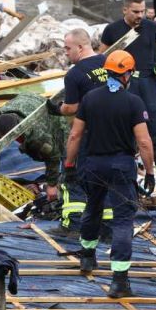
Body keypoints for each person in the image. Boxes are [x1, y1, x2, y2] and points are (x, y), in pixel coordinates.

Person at [66, 51, 155, 298]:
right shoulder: (133, 102)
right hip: (121, 165)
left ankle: (86, 258)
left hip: (93, 164)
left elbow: (75, 135)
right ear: (126, 74)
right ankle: (118, 281)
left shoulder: (90, 99)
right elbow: (144, 142)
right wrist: (149, 171)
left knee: (92, 208)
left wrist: (69, 165)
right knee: (123, 219)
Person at [100, 0, 156, 175]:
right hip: (123, 85)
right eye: (135, 12)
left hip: (149, 83)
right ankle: (129, 175)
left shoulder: (151, 27)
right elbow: (101, 58)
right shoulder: (112, 30)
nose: (140, 16)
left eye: (142, 11)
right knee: (123, 133)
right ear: (125, 9)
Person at [47, 29, 109, 229]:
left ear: (80, 47)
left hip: (88, 135)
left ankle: (74, 226)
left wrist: (57, 109)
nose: (66, 53)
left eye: (68, 48)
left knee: (75, 181)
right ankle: (107, 227)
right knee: (106, 182)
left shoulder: (75, 74)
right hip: (114, 133)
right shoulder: (108, 63)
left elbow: (72, 108)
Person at [0, 93, 68, 202]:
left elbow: (53, 156)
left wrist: (52, 185)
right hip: (23, 101)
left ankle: (67, 182)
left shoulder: (36, 134)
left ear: (18, 132)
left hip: (47, 111)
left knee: (66, 151)